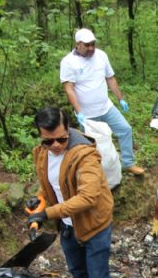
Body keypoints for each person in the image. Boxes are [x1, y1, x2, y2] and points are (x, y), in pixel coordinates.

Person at [26, 107, 121, 278]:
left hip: (94, 225)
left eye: (61, 139)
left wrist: (47, 213)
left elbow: (88, 197)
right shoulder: (42, 154)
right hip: (68, 225)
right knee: (77, 271)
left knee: (98, 277)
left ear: (68, 128)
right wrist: (39, 199)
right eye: (48, 141)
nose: (56, 145)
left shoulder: (85, 156)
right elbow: (50, 185)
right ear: (40, 136)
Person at [60, 28, 144, 176]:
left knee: (125, 130)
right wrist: (79, 112)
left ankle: (128, 163)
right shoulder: (68, 62)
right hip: (87, 114)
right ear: (78, 44)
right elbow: (69, 88)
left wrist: (121, 99)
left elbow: (110, 78)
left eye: (93, 44)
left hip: (106, 107)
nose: (91, 48)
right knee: (90, 144)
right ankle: (94, 173)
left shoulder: (101, 56)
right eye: (87, 45)